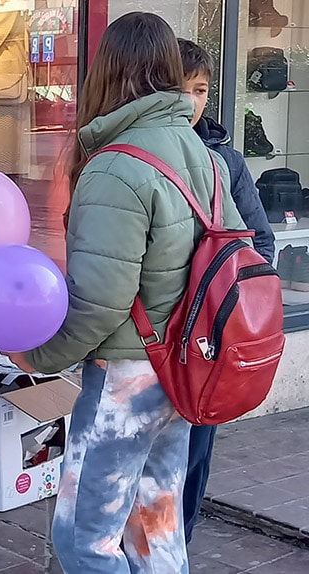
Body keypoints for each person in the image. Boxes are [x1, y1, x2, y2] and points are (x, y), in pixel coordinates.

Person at [2, 13, 246, 573]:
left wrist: (37, 357)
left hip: (126, 378)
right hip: (182, 368)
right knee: (156, 531)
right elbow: (235, 253)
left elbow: (101, 300)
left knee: (85, 539)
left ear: (105, 74)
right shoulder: (205, 158)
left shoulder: (114, 167)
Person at [178, 38, 275, 542]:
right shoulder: (126, 156)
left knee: (194, 453)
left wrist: (224, 298)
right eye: (181, 88)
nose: (192, 102)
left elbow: (261, 244)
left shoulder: (227, 163)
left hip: (205, 338)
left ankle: (179, 547)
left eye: (201, 90)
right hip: (148, 338)